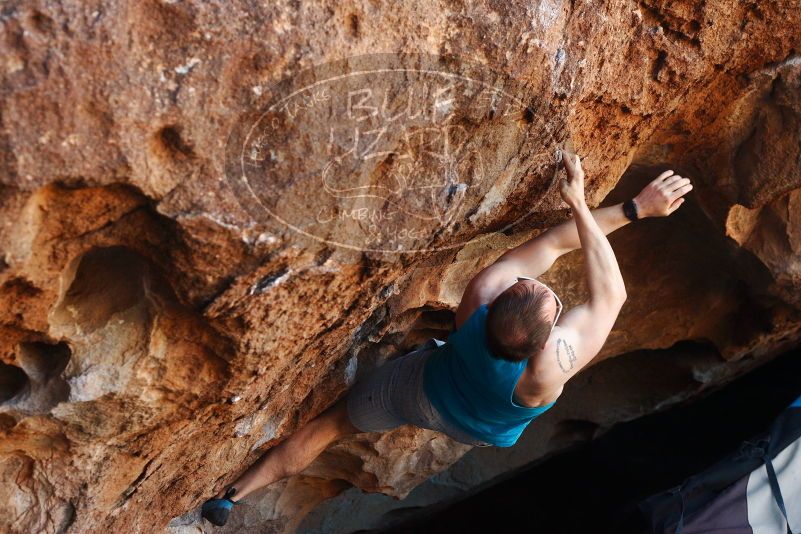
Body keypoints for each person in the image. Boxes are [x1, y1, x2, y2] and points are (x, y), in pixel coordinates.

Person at [200, 151, 693, 526]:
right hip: (474, 426)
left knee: (329, 427)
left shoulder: (479, 298)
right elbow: (610, 295)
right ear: (548, 337)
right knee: (377, 413)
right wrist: (630, 210)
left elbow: (556, 245)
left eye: (534, 286)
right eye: (541, 289)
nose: (538, 279)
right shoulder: (546, 371)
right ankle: (231, 499)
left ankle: (233, 495)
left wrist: (611, 205)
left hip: (419, 389)